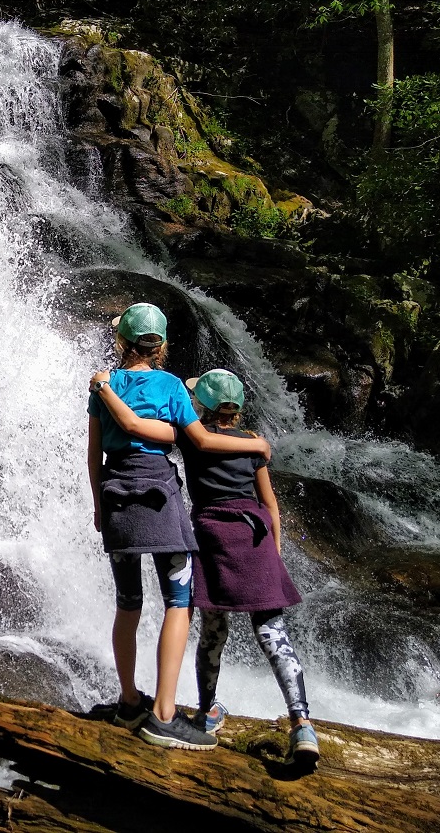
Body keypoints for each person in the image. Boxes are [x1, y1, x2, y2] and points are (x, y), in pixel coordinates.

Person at [98, 365, 319, 769]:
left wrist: (106, 390)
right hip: (256, 538)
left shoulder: (192, 438)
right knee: (273, 632)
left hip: (213, 540)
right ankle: (302, 722)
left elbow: (151, 431)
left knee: (212, 631)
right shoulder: (252, 444)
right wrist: (276, 549)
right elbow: (271, 505)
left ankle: (206, 711)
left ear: (204, 404)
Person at [87, 303, 270, 751]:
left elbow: (93, 453)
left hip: (114, 493)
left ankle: (129, 700)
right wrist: (257, 444)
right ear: (162, 346)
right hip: (157, 496)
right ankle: (164, 714)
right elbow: (201, 440)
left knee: (128, 603)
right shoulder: (170, 386)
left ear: (121, 342)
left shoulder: (103, 385)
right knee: (178, 599)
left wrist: (97, 505)